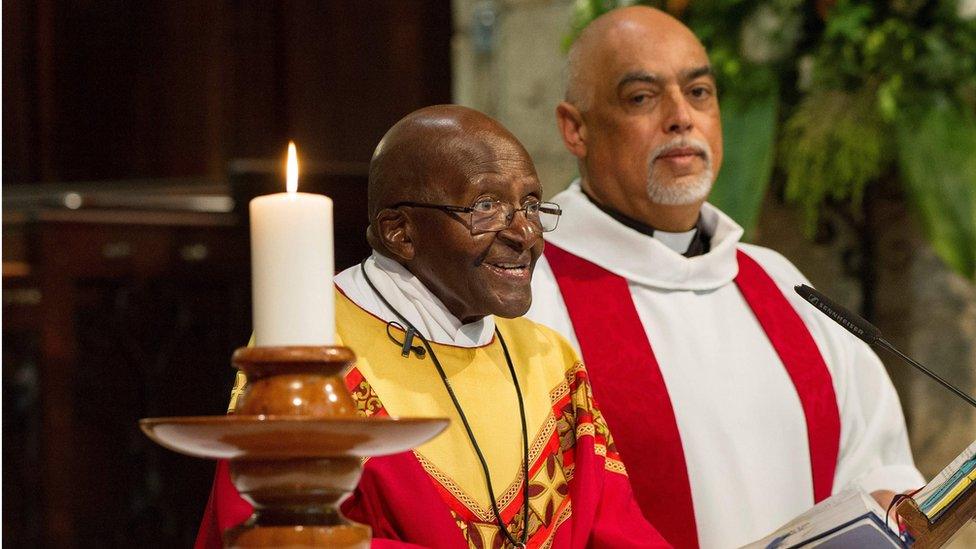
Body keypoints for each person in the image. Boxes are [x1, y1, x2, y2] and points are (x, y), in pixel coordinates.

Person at [525, 6, 923, 549]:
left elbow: (879, 469)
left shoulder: (782, 284)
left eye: (699, 92)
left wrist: (892, 506)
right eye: (642, 97)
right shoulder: (529, 298)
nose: (680, 117)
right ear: (575, 128)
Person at [195, 105, 670, 548]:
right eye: (485, 207)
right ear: (399, 232)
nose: (525, 233)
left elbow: (615, 528)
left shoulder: (547, 358)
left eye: (530, 204)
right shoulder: (311, 355)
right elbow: (277, 532)